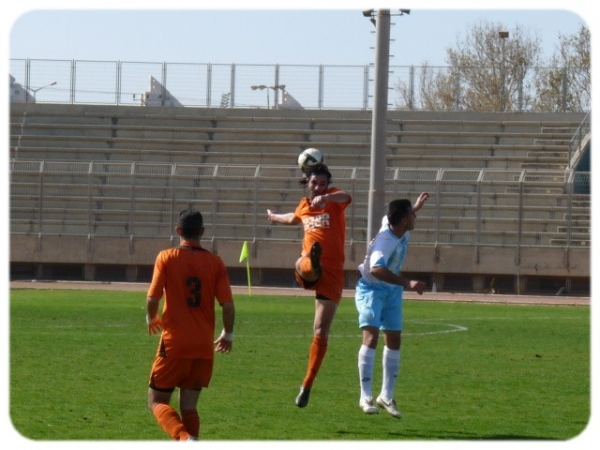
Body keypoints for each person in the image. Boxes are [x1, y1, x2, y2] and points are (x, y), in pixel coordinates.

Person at [266, 162, 352, 408]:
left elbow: (347, 196)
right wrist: (273, 216)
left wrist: (327, 198)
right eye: (315, 183)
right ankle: (310, 263)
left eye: (323, 183)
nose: (319, 187)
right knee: (303, 263)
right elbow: (292, 218)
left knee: (320, 330)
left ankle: (307, 385)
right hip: (309, 267)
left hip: (332, 272)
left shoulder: (334, 198)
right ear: (308, 183)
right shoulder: (304, 205)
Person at [145, 208, 235, 440]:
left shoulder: (167, 257)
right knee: (189, 406)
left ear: (178, 230)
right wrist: (228, 334)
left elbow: (152, 298)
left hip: (174, 344)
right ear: (202, 232)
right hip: (204, 347)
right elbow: (227, 306)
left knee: (156, 401)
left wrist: (151, 317)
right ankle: (192, 441)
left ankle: (185, 439)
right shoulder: (215, 262)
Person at [355, 193, 429, 418]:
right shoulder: (385, 241)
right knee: (371, 337)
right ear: (404, 220)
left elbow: (398, 216)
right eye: (412, 215)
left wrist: (415, 207)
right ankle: (365, 396)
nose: (415, 218)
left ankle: (386, 396)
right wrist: (408, 283)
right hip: (372, 289)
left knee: (394, 338)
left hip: (392, 291)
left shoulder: (395, 224)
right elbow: (376, 268)